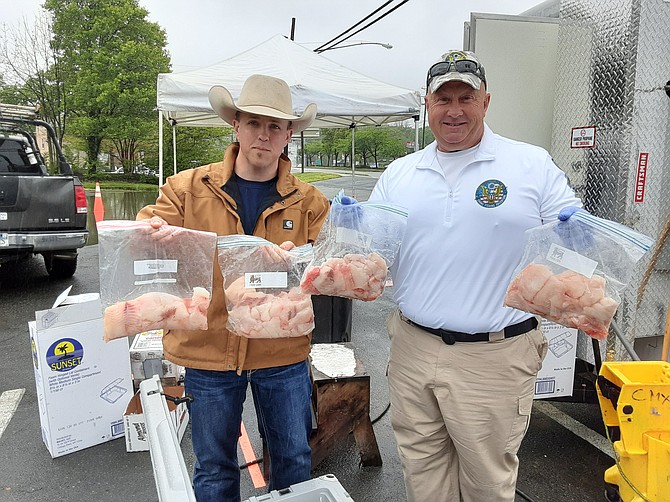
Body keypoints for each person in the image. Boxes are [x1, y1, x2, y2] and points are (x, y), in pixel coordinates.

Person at [368, 50, 583, 501]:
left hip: (495, 357)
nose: (455, 110)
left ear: (486, 102)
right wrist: (345, 244)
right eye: (443, 98)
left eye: (466, 97)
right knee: (422, 473)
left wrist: (578, 245)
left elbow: (575, 242)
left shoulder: (530, 165)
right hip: (412, 347)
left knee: (487, 482)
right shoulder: (400, 173)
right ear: (427, 105)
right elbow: (373, 252)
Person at [137, 74, 330, 501]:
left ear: (288, 136)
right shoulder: (188, 188)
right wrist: (150, 229)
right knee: (214, 466)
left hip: (282, 351)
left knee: (294, 460)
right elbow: (148, 226)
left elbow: (329, 257)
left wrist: (307, 260)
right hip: (207, 351)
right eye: (254, 123)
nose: (263, 134)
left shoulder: (308, 199)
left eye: (275, 126)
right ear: (236, 126)